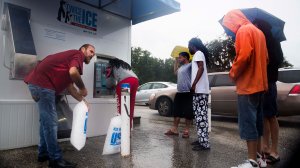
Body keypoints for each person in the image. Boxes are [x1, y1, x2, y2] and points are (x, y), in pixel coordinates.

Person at [24, 44, 95, 168]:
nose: (92, 54)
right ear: (83, 50)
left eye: (94, 53)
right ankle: (55, 160)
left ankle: (43, 153)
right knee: (51, 123)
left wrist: (84, 101)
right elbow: (73, 72)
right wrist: (83, 88)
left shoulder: (68, 61)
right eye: (91, 51)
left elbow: (70, 88)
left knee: (45, 122)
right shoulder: (77, 54)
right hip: (43, 85)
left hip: (38, 84)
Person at [221, 10, 268, 168]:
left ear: (233, 21)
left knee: (248, 124)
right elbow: (266, 59)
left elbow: (244, 56)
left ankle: (251, 162)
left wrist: (233, 73)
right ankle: (261, 159)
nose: (227, 31)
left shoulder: (243, 30)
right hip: (260, 85)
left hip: (247, 86)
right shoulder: (259, 32)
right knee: (257, 124)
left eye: (227, 26)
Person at [253, 19, 283, 164]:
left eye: (256, 26)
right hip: (261, 83)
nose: (254, 29)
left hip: (269, 82)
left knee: (271, 116)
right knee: (264, 116)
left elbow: (278, 59)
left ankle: (275, 151)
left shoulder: (272, 40)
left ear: (260, 26)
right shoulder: (262, 40)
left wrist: (265, 58)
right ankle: (265, 146)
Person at [188, 37, 211, 151]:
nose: (188, 48)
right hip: (200, 91)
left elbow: (200, 68)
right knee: (199, 116)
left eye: (189, 45)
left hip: (200, 90)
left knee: (201, 117)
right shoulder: (199, 54)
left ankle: (204, 144)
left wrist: (194, 84)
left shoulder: (198, 53)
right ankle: (202, 139)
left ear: (193, 45)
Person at [164, 52, 193, 138]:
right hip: (179, 92)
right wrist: (176, 62)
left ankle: (186, 130)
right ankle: (174, 129)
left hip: (188, 92)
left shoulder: (191, 65)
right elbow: (175, 72)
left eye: (180, 57)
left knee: (188, 112)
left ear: (185, 57)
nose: (179, 59)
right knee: (176, 111)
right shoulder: (181, 67)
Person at [105, 58, 139, 129]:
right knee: (130, 106)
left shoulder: (110, 66)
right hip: (135, 81)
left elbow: (109, 82)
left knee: (122, 107)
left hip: (125, 83)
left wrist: (108, 86)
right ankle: (128, 130)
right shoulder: (123, 65)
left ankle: (122, 129)